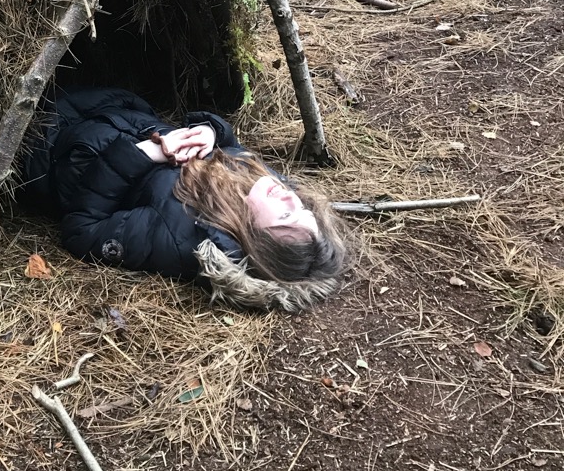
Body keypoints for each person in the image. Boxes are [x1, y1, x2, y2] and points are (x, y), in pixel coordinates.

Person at [19, 87, 347, 312]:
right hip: (111, 107)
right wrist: (211, 132)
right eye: (302, 209)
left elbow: (82, 231)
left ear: (255, 238)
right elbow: (231, 148)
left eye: (286, 217)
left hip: (46, 145)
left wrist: (143, 154)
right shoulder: (266, 189)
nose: (290, 199)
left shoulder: (177, 234)